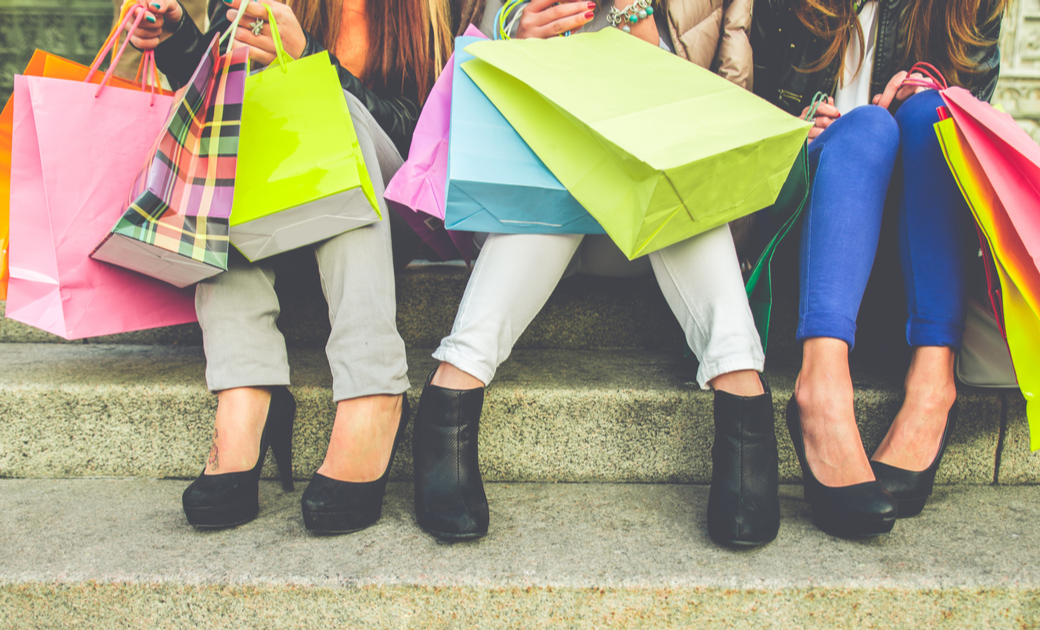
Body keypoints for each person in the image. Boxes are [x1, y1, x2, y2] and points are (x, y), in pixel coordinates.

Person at [411, 0, 778, 547]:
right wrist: (515, 39)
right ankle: (457, 381)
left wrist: (639, 23)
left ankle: (739, 382)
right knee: (561, 171)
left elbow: (720, 128)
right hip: (530, 217)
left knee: (682, 188)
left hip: (640, 224)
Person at [126, 0, 459, 533]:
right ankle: (245, 388)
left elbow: (431, 138)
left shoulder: (431, 8)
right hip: (272, 221)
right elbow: (209, 96)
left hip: (385, 218)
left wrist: (311, 59)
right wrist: (178, 38)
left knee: (336, 106)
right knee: (232, 116)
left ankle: (373, 388)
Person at [747, 0, 1009, 537]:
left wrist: (935, 99)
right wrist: (791, 127)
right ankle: (821, 389)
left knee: (935, 113)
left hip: (912, 260)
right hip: (806, 239)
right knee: (866, 127)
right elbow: (737, 103)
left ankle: (933, 387)